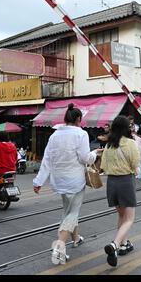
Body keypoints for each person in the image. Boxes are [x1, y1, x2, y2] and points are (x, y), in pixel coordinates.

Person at [33, 104, 99, 265]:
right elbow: (85, 158)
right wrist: (94, 154)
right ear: (78, 119)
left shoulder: (54, 135)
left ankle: (76, 238)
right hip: (75, 180)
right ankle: (59, 248)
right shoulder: (81, 134)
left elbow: (47, 160)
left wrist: (38, 181)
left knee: (68, 209)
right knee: (72, 213)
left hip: (59, 180)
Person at [101, 116, 140, 267]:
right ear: (126, 128)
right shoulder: (130, 143)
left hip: (112, 183)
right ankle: (115, 244)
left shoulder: (109, 145)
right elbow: (135, 163)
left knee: (121, 215)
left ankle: (123, 245)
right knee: (129, 218)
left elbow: (103, 166)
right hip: (125, 181)